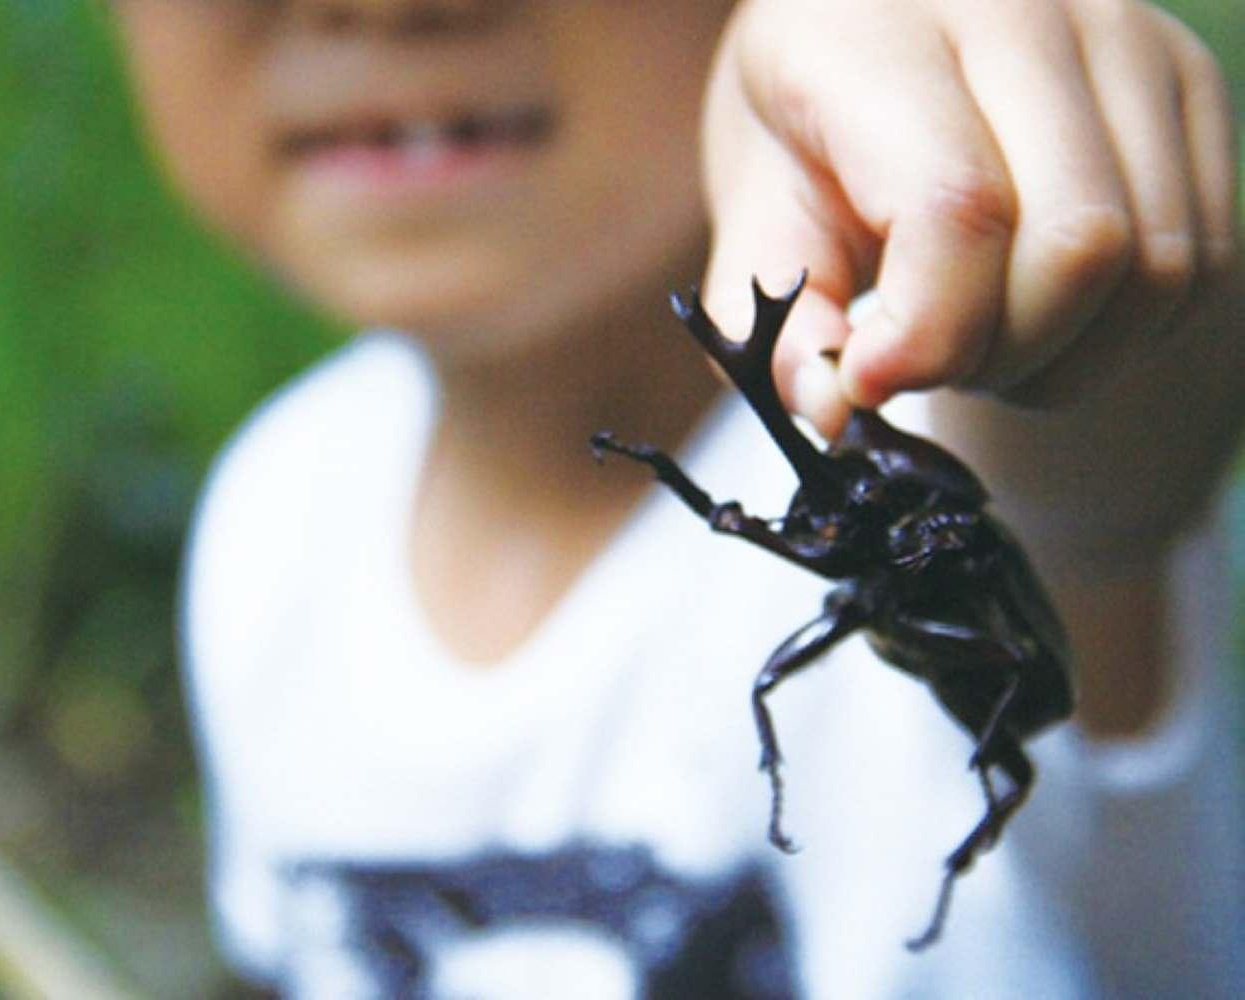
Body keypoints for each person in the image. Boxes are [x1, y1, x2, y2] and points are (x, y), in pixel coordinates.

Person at [111, 1, 1242, 996]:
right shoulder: (273, 504)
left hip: (990, 661)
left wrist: (985, 119)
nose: (385, 7)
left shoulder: (934, 396)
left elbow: (1096, 456)